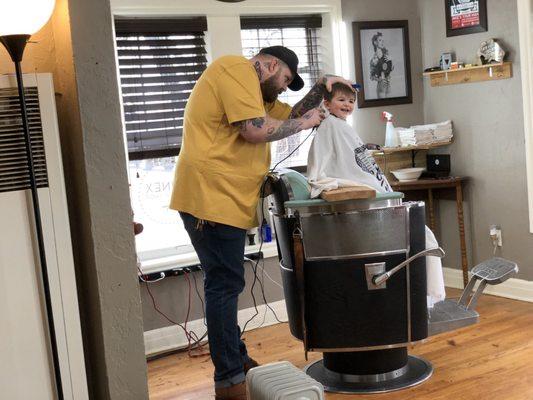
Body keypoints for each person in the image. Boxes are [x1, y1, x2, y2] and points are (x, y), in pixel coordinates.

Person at [169, 46, 353, 400]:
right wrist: (306, 122)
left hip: (223, 200)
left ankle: (236, 361)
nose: (284, 88)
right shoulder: (234, 69)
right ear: (269, 64)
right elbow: (255, 130)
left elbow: (291, 113)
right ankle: (229, 380)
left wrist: (323, 88)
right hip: (211, 198)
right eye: (284, 79)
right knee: (223, 286)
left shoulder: (257, 94)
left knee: (225, 283)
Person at [307, 82, 446, 308]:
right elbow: (321, 169)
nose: (347, 105)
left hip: (379, 196)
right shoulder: (330, 127)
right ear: (326, 103)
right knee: (422, 234)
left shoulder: (341, 127)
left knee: (423, 232)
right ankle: (423, 300)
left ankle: (423, 300)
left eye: (351, 101)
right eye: (341, 100)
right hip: (371, 200)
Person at [370, 32, 394, 98]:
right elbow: (371, 77)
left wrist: (391, 59)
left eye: (383, 40)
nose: (382, 42)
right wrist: (379, 79)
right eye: (380, 40)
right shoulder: (374, 59)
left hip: (388, 84)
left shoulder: (386, 55)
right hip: (381, 85)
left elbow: (391, 69)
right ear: (375, 42)